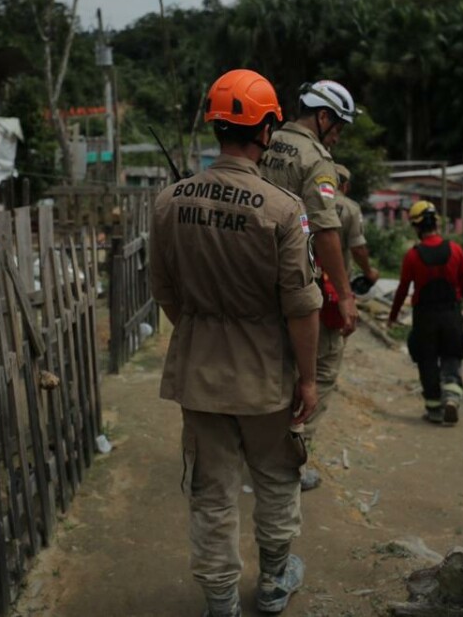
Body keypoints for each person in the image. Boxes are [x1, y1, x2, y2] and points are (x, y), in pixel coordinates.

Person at [150, 69, 322, 617]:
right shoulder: (283, 208)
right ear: (267, 129)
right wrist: (308, 379)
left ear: (216, 125)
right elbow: (301, 307)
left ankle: (221, 602)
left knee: (212, 491)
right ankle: (273, 582)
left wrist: (201, 333)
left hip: (199, 372)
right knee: (276, 478)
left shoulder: (169, 201)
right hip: (266, 375)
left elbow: (165, 292)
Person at [260, 80, 357, 491]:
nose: (337, 136)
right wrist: (346, 295)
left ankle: (259, 456)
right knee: (312, 375)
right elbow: (325, 229)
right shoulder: (316, 160)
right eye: (338, 127)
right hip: (295, 283)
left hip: (254, 279)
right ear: (322, 116)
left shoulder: (266, 141)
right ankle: (290, 466)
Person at [386, 201, 463, 426]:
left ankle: (434, 410)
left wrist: (393, 316)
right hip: (451, 314)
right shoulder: (456, 250)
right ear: (436, 222)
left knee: (426, 359)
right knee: (452, 355)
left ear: (416, 227)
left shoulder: (412, 256)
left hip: (424, 317)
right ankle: (452, 397)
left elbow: (403, 289)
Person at [333, 163, 379, 291]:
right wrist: (369, 272)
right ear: (345, 185)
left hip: (308, 279)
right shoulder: (350, 208)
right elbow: (358, 249)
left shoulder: (307, 202)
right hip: (337, 283)